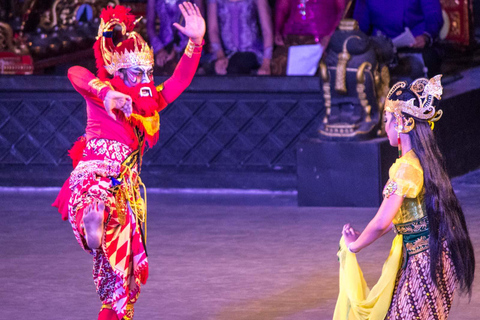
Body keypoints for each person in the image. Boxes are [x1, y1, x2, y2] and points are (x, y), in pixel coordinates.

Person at [52, 3, 205, 319]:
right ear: (118, 71)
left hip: (126, 189)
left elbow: (179, 81)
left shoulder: (149, 104)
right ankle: (90, 230)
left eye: (149, 71)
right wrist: (105, 93)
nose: (146, 78)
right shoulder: (104, 93)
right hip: (96, 171)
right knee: (92, 199)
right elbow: (75, 73)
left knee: (123, 281)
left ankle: (97, 236)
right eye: (137, 72)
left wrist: (195, 43)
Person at [334, 75, 475, 319]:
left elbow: (380, 222)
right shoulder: (422, 161)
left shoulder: (404, 168)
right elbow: (399, 219)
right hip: (434, 257)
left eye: (386, 120)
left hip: (425, 261)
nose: (383, 127)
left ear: (401, 122)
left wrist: (354, 246)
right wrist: (362, 236)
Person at [353, 0, 444, 77]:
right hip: (381, 47)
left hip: (415, 44)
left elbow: (433, 15)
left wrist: (426, 37)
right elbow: (360, 27)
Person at [272, 0, 345, 75]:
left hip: (323, 39)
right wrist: (278, 32)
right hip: (291, 38)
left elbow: (342, 10)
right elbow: (282, 8)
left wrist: (330, 35)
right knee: (278, 65)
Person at [207, 0, 273, 75]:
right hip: (226, 52)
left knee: (233, 68)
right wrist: (220, 56)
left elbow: (267, 31)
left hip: (251, 51)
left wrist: (266, 63)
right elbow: (213, 30)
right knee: (212, 70)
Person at [146, 0, 204, 74]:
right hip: (163, 50)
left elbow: (200, 25)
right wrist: (159, 49)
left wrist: (178, 49)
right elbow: (150, 25)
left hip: (188, 49)